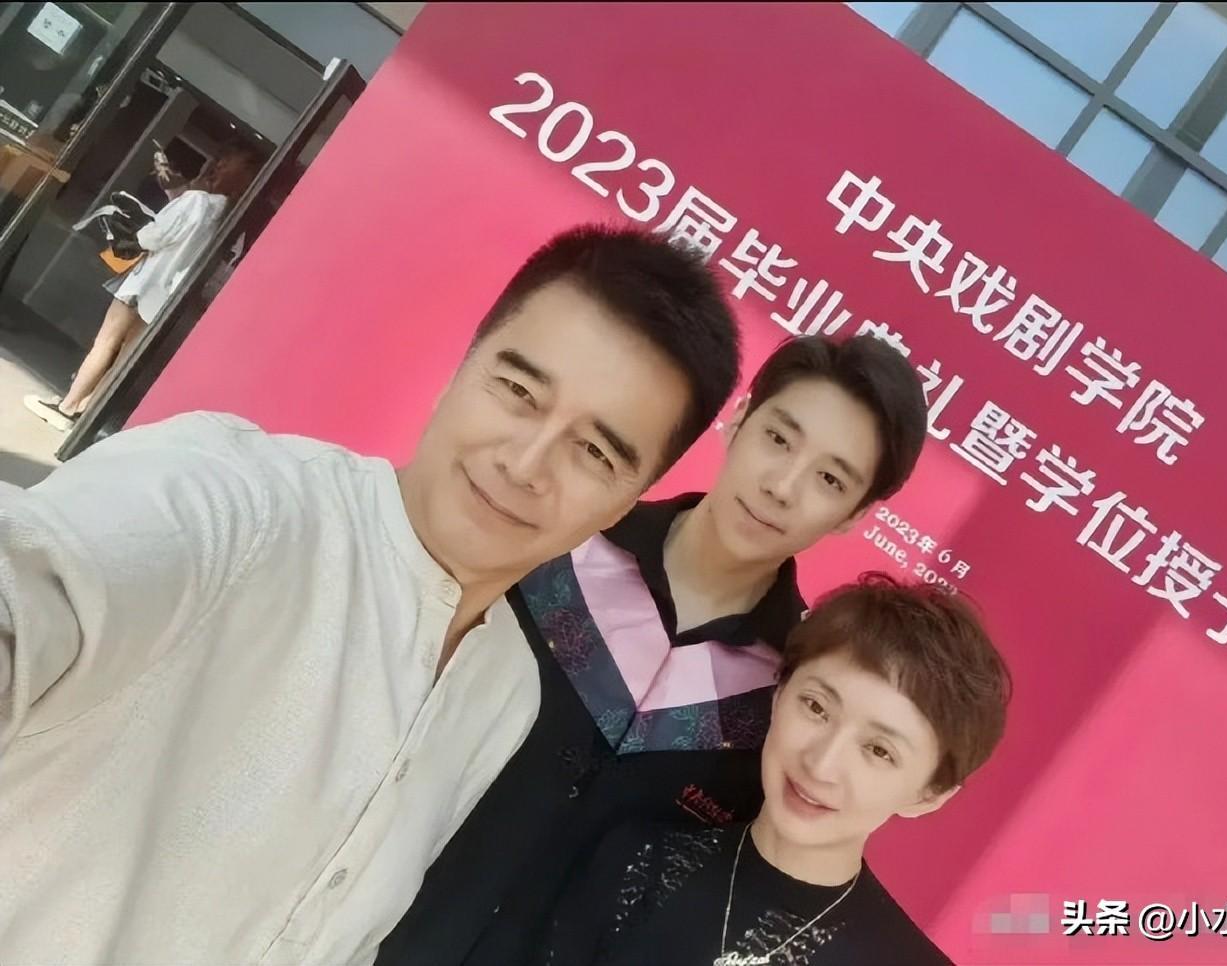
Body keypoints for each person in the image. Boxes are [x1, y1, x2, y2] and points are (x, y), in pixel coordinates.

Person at [0, 224, 741, 964]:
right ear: (460, 368)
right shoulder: (244, 501)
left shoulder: (508, 691)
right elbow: (35, 585)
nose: (525, 464)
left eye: (595, 452)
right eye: (518, 391)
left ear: (625, 506)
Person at [380, 335, 930, 966]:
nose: (782, 486)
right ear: (739, 419)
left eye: (829, 479)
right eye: (778, 438)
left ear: (855, 515)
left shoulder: (788, 701)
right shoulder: (557, 547)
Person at [538, 573, 1011, 966]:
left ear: (928, 795)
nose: (821, 764)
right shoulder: (637, 857)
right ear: (779, 692)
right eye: (816, 707)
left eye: (878, 750)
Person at [23, 144, 259, 432]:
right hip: (167, 295)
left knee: (105, 342)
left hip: (144, 282)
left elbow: (155, 236)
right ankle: (85, 413)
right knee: (124, 357)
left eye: (223, 162)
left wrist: (136, 231)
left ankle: (67, 406)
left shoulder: (197, 200)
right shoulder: (227, 218)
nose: (216, 165)